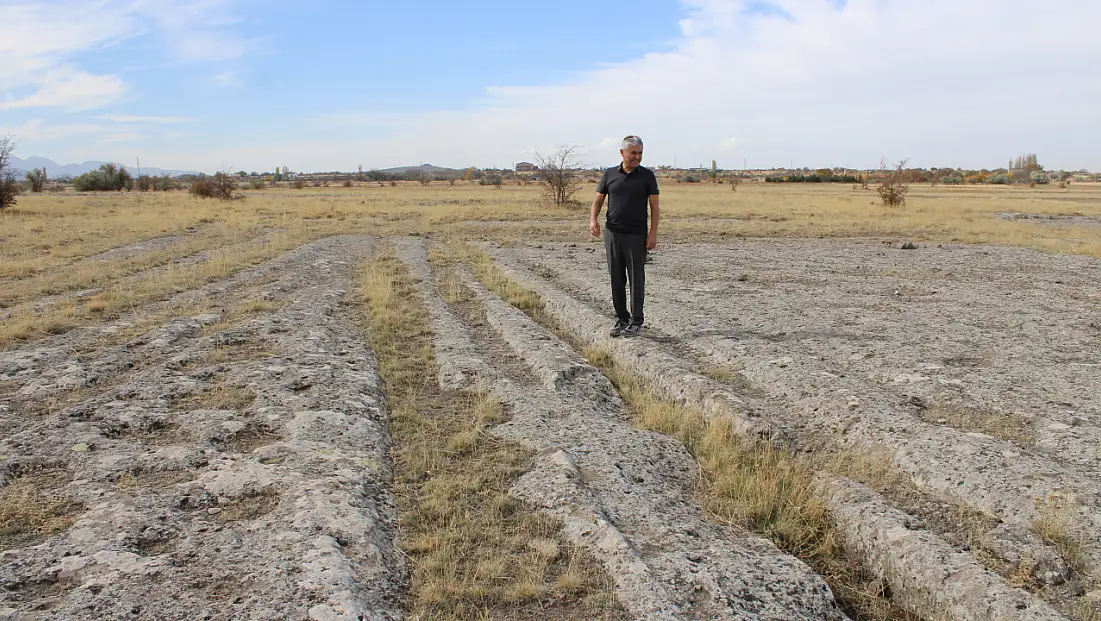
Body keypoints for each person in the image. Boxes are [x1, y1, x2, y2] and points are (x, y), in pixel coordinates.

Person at [588, 135, 660, 337]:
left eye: (640, 153)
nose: (637, 157)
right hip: (612, 234)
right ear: (622, 153)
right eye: (633, 153)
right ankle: (622, 319)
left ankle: (636, 321)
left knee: (636, 278)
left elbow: (654, 207)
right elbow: (598, 200)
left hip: (636, 236)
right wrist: (593, 220)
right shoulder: (610, 174)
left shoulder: (647, 176)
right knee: (616, 279)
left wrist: (653, 233)